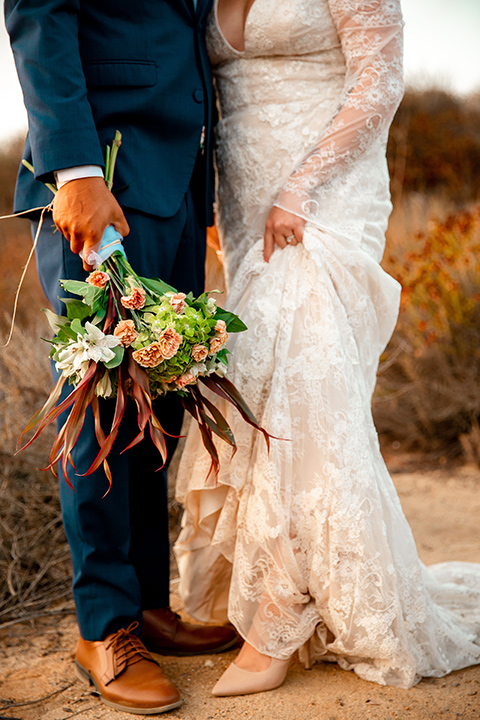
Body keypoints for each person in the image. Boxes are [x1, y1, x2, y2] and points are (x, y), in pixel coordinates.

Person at [175, 0, 480, 697]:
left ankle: (279, 615)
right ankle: (264, 586)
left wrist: (302, 189)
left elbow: (379, 79)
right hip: (247, 198)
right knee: (260, 375)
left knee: (306, 382)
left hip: (324, 195)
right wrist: (220, 204)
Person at [4, 0, 237, 714]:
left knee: (159, 391)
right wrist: (75, 169)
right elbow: (41, 11)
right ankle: (105, 628)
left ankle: (145, 607)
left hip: (175, 181)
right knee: (100, 399)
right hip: (100, 176)